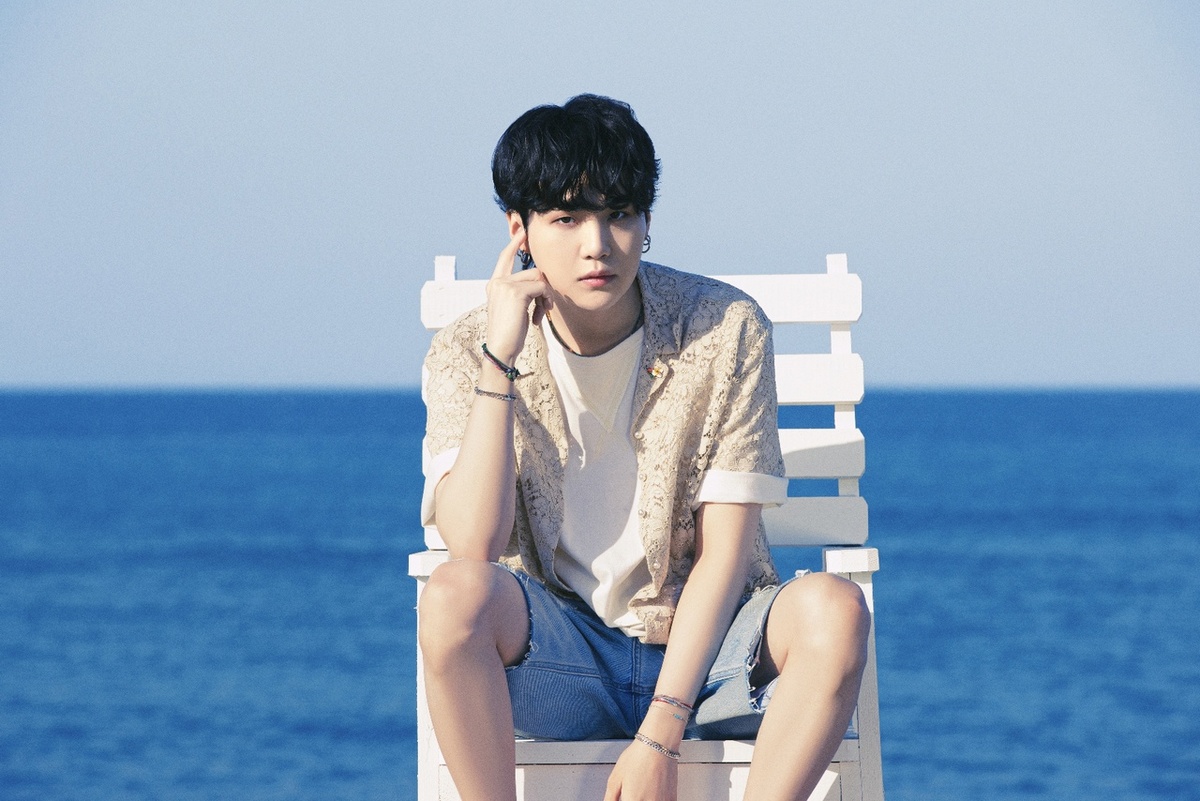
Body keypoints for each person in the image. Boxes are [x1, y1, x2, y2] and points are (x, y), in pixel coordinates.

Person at [418, 94, 870, 801]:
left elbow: (724, 554)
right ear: (520, 230)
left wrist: (660, 733)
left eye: (621, 213)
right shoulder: (465, 349)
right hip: (562, 661)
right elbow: (472, 546)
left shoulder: (724, 328)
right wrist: (499, 359)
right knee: (450, 597)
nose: (598, 243)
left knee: (836, 610)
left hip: (710, 656)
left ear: (647, 222)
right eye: (567, 217)